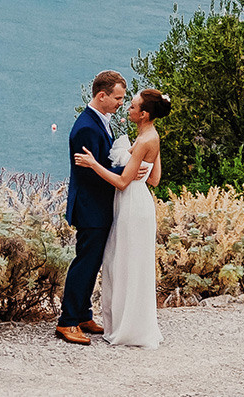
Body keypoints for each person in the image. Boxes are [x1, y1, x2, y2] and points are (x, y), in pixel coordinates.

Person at [75, 87, 170, 348]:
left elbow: (122, 182)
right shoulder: (151, 136)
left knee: (124, 263)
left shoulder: (143, 141)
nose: (128, 108)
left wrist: (94, 164)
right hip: (140, 204)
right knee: (131, 263)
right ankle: (130, 323)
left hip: (131, 207)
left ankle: (127, 328)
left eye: (133, 106)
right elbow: (155, 179)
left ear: (144, 114)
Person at [57, 70, 127, 344]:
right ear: (102, 95)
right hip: (90, 207)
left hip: (97, 206)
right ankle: (68, 321)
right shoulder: (87, 127)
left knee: (93, 261)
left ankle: (83, 314)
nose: (121, 102)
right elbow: (88, 173)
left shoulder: (100, 121)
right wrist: (127, 171)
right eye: (118, 98)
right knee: (84, 263)